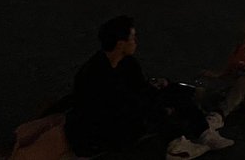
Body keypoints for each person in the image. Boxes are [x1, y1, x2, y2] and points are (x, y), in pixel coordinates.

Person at [64, 15, 231, 159]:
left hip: (126, 109)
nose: (136, 42)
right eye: (133, 38)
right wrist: (158, 105)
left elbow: (139, 88)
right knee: (152, 105)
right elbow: (110, 106)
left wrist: (158, 88)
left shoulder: (126, 62)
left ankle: (203, 132)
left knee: (172, 90)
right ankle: (176, 146)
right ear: (121, 44)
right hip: (108, 126)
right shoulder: (95, 73)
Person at [199, 13, 245, 121]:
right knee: (210, 86)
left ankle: (220, 115)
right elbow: (229, 67)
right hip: (236, 82)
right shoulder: (240, 47)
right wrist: (214, 74)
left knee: (240, 84)